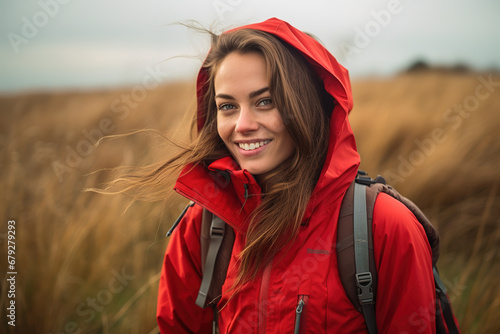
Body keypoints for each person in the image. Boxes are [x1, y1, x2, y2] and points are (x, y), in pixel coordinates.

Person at [155, 17, 436, 333]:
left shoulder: (383, 227)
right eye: (228, 106)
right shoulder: (202, 228)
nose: (242, 124)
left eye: (266, 101)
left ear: (308, 105)